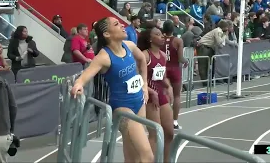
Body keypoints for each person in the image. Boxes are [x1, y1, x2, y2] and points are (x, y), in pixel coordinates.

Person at [71, 17, 153, 162]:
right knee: (147, 155)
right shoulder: (103, 57)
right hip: (123, 108)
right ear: (107, 34)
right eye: (116, 24)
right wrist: (78, 85)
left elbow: (142, 60)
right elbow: (85, 76)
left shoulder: (129, 45)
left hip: (140, 102)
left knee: (132, 155)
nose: (122, 25)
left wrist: (145, 86)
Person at [137, 25, 174, 162]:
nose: (162, 36)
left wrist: (168, 86)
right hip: (150, 96)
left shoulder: (163, 56)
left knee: (169, 133)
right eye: (158, 34)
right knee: (155, 133)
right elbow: (138, 77)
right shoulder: (145, 55)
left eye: (162, 34)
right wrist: (151, 92)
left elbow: (161, 77)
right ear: (150, 39)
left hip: (161, 94)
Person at [160, 20, 188, 130]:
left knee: (164, 94)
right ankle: (175, 122)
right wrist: (186, 61)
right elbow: (181, 58)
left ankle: (163, 120)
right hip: (175, 68)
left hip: (163, 69)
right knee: (176, 96)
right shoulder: (178, 41)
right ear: (173, 29)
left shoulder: (160, 40)